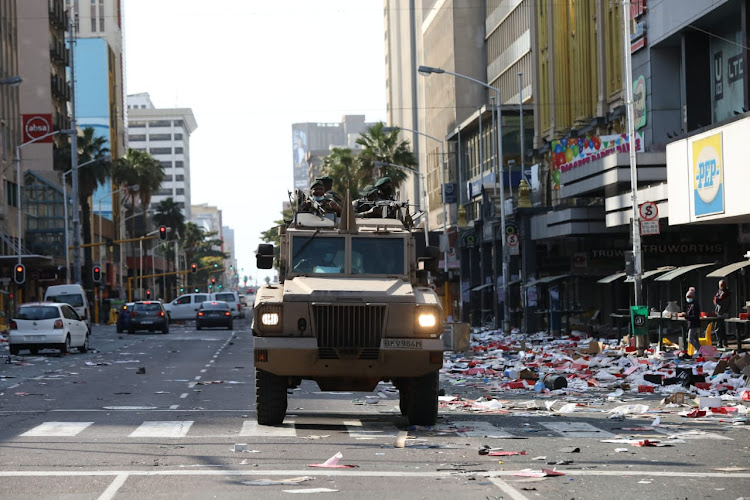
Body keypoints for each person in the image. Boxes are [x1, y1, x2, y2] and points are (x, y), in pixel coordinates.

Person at [681, 287, 702, 356]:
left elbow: (694, 316)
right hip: (693, 324)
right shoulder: (691, 304)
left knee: (690, 339)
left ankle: (700, 350)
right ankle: (699, 351)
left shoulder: (694, 305)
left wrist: (686, 316)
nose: (687, 299)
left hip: (694, 324)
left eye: (689, 297)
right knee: (696, 339)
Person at [713, 279, 731, 348]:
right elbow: (715, 299)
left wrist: (716, 298)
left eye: (722, 285)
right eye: (720, 286)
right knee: (722, 328)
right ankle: (724, 341)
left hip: (722, 312)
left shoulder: (726, 293)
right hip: (719, 312)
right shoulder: (720, 292)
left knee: (718, 328)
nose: (721, 287)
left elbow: (718, 300)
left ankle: (719, 343)